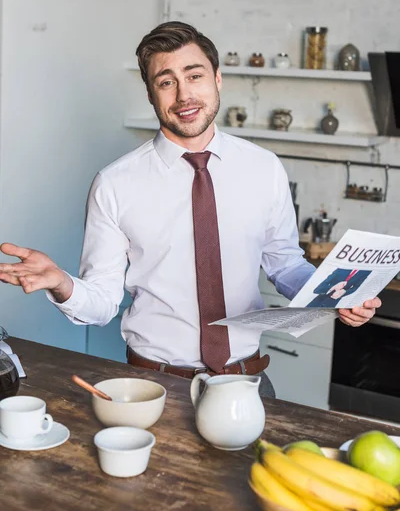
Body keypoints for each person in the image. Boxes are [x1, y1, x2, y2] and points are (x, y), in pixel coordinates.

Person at [0, 22, 380, 398]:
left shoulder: (264, 168)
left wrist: (332, 295)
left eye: (194, 75)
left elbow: (285, 264)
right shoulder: (115, 184)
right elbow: (101, 303)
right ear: (151, 95)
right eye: (166, 82)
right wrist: (61, 283)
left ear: (217, 79)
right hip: (154, 386)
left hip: (248, 384)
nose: (184, 94)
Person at [306, 268, 371, 308]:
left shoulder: (366, 271)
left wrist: (344, 292)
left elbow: (356, 287)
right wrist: (332, 287)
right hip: (318, 301)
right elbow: (318, 288)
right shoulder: (344, 266)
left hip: (332, 304)